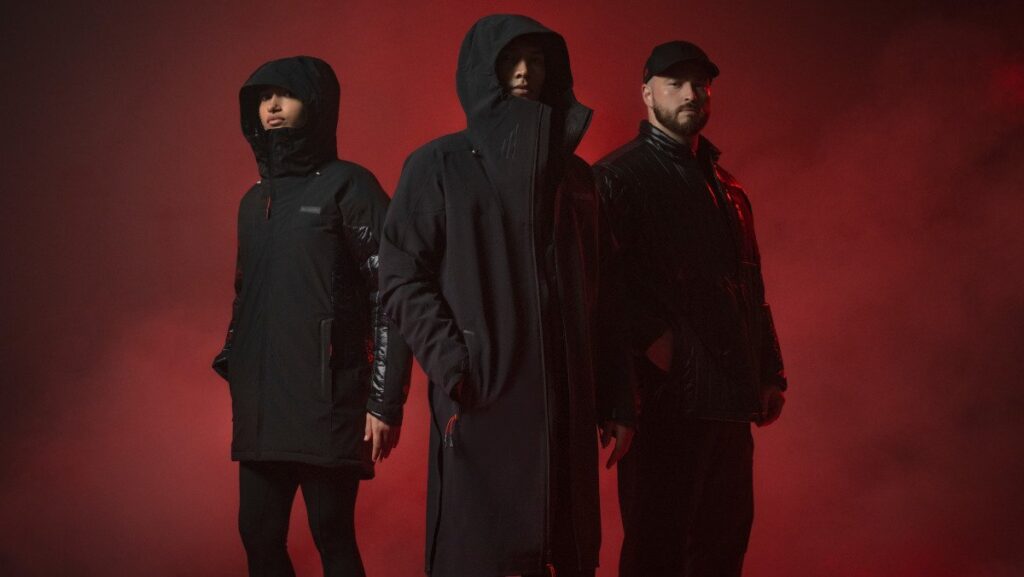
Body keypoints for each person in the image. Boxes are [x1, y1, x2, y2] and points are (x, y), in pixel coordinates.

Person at [379, 14, 635, 577]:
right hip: (482, 406)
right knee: (480, 559)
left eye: (536, 59)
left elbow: (607, 295)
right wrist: (456, 363)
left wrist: (617, 399)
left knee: (568, 556)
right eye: (508, 60)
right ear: (481, 73)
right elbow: (399, 276)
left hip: (567, 408)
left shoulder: (577, 179)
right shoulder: (437, 166)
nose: (523, 71)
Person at [211, 55, 412, 577]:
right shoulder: (254, 203)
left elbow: (392, 293)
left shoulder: (351, 186)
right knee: (257, 534)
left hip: (328, 399)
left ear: (317, 104)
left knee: (331, 533)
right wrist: (234, 357)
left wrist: (385, 401)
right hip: (262, 402)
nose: (271, 107)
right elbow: (245, 294)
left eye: (285, 95)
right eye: (262, 97)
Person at [593, 41, 788, 577]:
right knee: (657, 550)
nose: (690, 93)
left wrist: (770, 371)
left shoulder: (728, 188)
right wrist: (656, 340)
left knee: (722, 550)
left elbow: (751, 285)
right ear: (646, 92)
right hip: (664, 403)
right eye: (675, 82)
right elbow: (596, 283)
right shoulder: (616, 177)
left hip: (729, 400)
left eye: (700, 84)